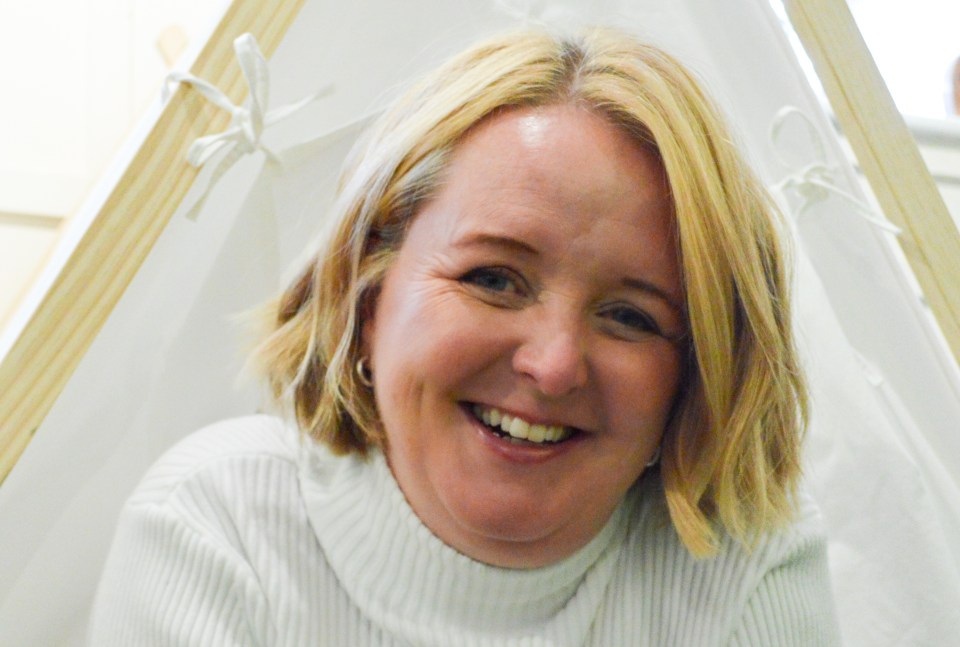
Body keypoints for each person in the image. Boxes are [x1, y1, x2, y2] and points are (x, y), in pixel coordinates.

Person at [89, 26, 841, 645]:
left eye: (631, 317)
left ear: (697, 373)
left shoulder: (747, 565)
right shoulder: (215, 526)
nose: (552, 365)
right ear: (368, 287)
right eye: (493, 278)